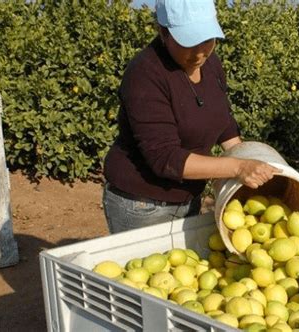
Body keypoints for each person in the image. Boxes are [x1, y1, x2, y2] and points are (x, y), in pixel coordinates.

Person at [102, 0, 280, 234]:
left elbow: (223, 122)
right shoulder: (145, 75)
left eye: (206, 40)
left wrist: (251, 161)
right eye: (188, 42)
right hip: (142, 204)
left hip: (189, 198)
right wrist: (238, 167)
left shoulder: (211, 63)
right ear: (163, 32)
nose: (199, 53)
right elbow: (166, 158)